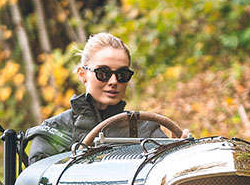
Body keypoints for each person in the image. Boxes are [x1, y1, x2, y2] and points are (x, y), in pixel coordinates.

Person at [24, 33, 170, 161]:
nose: (113, 82)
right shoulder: (52, 133)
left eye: (122, 74)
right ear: (82, 74)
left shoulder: (145, 129)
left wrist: (177, 154)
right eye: (103, 73)